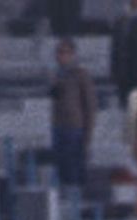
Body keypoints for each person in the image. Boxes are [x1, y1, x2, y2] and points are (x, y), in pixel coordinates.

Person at [50, 38, 97, 189]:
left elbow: (89, 105)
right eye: (59, 53)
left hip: (74, 127)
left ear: (72, 55)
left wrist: (87, 133)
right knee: (61, 166)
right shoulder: (56, 75)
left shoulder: (81, 75)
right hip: (58, 126)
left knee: (74, 167)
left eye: (65, 53)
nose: (61, 56)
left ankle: (75, 198)